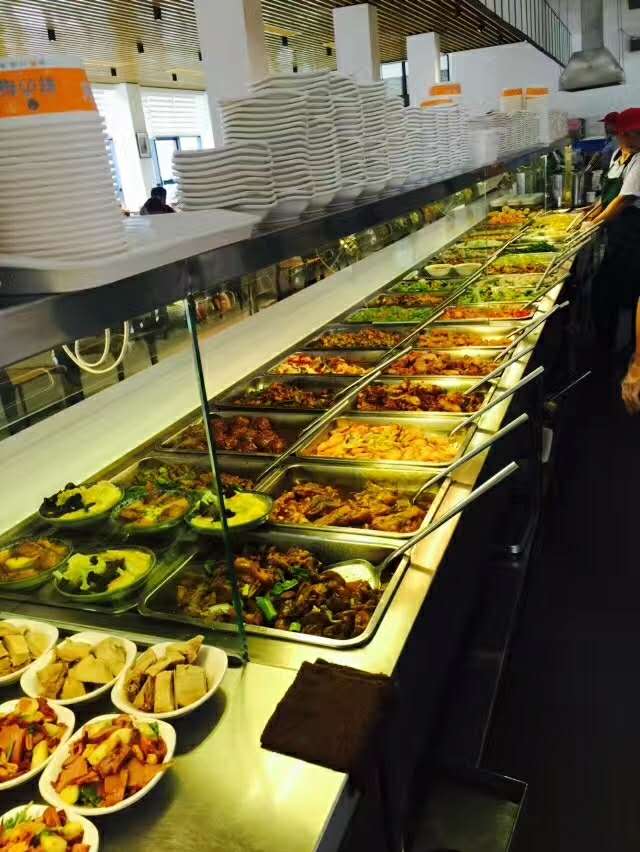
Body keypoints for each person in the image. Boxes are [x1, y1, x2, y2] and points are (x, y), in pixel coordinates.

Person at [588, 108, 640, 349]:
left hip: (633, 234)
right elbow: (608, 197)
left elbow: (623, 200)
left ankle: (624, 349)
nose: (626, 138)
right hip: (616, 232)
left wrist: (593, 224)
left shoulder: (639, 161)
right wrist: (591, 213)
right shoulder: (618, 155)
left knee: (625, 292)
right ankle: (608, 343)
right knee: (605, 289)